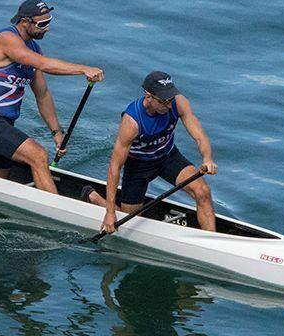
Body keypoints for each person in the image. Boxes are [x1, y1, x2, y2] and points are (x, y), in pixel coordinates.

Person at [0, 0, 104, 193]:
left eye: (49, 22)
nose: (47, 28)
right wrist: (83, 69)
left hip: (5, 124)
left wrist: (57, 132)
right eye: (42, 24)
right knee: (39, 155)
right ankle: (57, 213)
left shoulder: (34, 48)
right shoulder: (6, 39)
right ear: (25, 21)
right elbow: (44, 64)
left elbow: (42, 95)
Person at [85, 71, 218, 232]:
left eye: (170, 99)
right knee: (129, 222)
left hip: (168, 157)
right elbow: (114, 167)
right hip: (138, 167)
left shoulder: (178, 102)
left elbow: (200, 137)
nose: (169, 105)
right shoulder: (132, 121)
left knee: (202, 191)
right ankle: (95, 197)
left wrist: (207, 159)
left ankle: (212, 240)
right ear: (148, 96)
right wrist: (110, 213)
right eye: (163, 101)